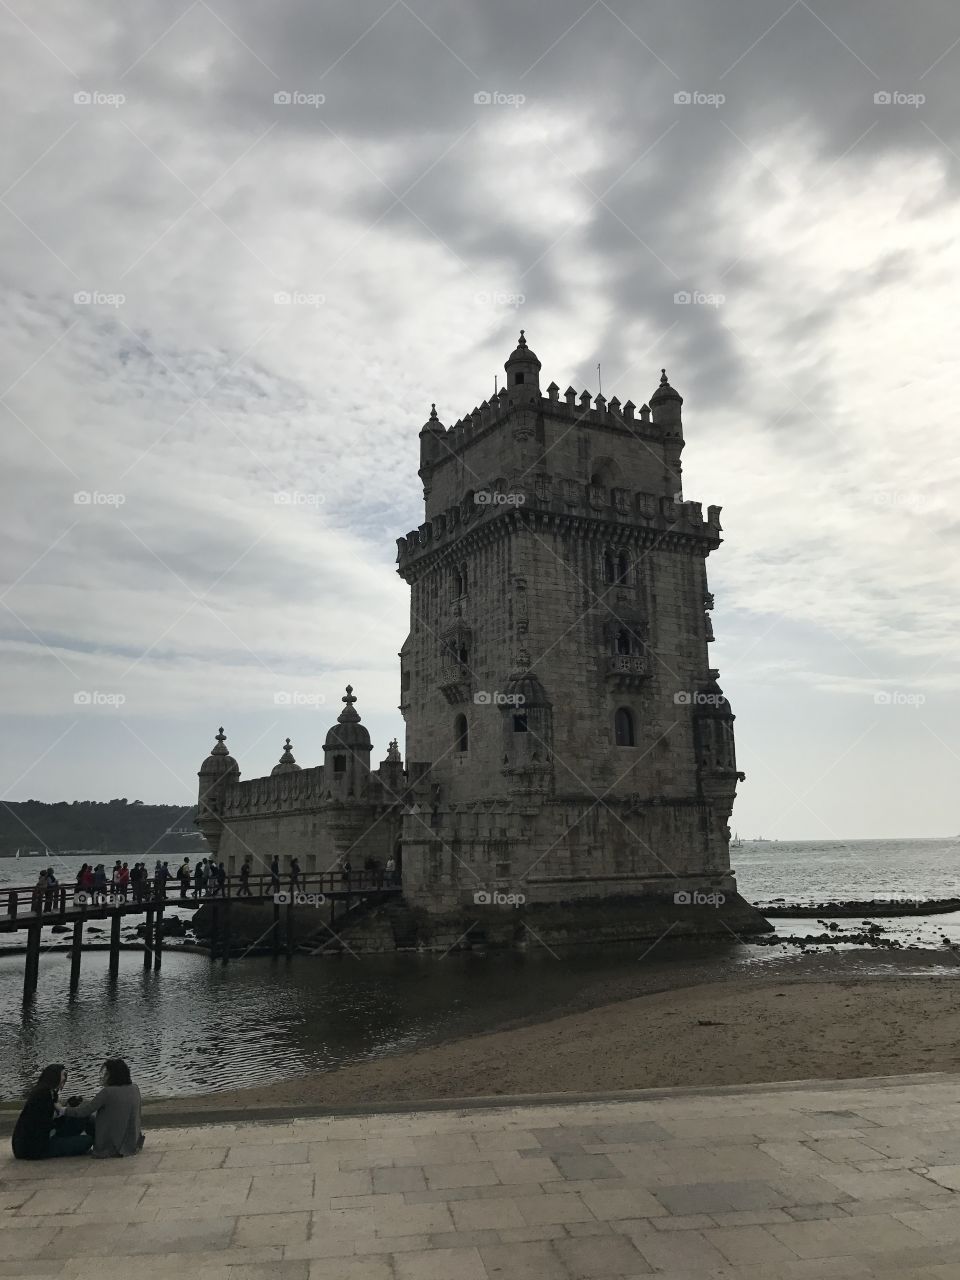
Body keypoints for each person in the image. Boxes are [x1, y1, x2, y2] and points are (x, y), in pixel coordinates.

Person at [61, 1058, 144, 1159]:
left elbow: (84, 1111)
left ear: (111, 1075)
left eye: (106, 1074)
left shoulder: (107, 1092)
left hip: (112, 1146)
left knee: (87, 1118)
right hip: (132, 1142)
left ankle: (64, 1142)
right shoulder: (134, 1088)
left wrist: (62, 1109)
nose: (104, 1076)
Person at [11, 1064, 93, 1160]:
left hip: (44, 1137)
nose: (65, 1078)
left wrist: (67, 1108)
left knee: (82, 1116)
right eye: (63, 1075)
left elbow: (53, 1119)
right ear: (54, 1076)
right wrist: (62, 1112)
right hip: (35, 1147)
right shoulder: (42, 1095)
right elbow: (46, 1123)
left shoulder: (49, 1093)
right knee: (87, 1140)